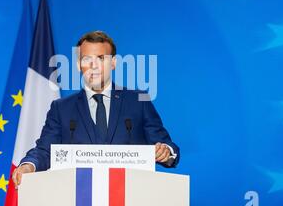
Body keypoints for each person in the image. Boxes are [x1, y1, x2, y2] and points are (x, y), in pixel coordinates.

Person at [12, 31, 180, 187]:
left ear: (113, 63)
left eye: (101, 58)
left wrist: (166, 151)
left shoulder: (138, 101)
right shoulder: (61, 109)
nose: (94, 66)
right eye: (86, 59)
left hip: (131, 198)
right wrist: (28, 166)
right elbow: (45, 150)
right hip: (80, 201)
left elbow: (165, 144)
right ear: (78, 65)